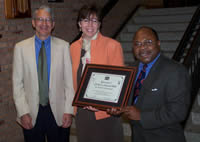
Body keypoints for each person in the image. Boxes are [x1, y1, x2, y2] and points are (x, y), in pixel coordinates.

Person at [107, 26, 191, 142]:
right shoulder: (131, 69)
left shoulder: (175, 71)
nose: (142, 48)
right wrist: (118, 109)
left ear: (158, 43)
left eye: (148, 42)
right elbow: (126, 99)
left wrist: (142, 116)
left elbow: (178, 111)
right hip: (138, 137)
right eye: (137, 44)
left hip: (165, 137)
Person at [12, 5, 74, 142]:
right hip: (31, 113)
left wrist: (69, 110)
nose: (44, 24)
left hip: (58, 113)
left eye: (48, 20)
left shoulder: (64, 47)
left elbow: (69, 84)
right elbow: (17, 85)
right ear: (33, 23)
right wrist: (23, 112)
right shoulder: (20, 48)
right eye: (40, 19)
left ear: (53, 24)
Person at [70, 4, 124, 142]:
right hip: (82, 113)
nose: (90, 24)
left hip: (106, 114)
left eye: (94, 21)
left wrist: (101, 105)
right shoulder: (73, 48)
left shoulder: (112, 46)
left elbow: (119, 84)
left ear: (99, 24)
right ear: (79, 24)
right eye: (85, 20)